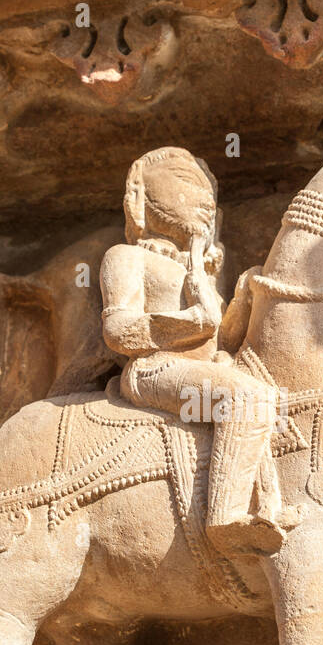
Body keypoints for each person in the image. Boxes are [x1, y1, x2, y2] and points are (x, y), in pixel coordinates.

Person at [100, 147, 283, 554]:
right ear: (139, 198)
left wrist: (244, 297)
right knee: (245, 396)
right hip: (153, 371)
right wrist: (194, 321)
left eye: (211, 192)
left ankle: (270, 505)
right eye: (186, 182)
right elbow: (117, 330)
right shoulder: (126, 257)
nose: (205, 199)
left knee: (268, 389)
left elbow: (222, 336)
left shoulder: (200, 271)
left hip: (203, 365)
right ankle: (226, 517)